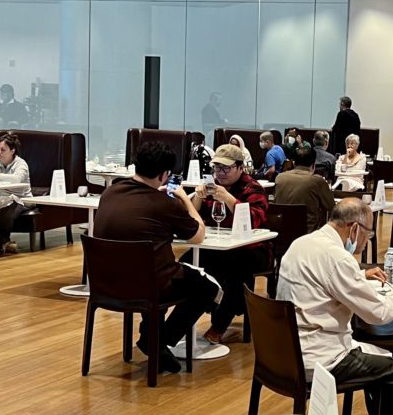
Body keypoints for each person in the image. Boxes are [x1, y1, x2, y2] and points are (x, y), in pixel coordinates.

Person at [274, 198, 393, 415]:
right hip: (321, 358)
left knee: (381, 361)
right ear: (354, 229)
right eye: (367, 235)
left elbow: (324, 280)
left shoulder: (303, 243)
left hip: (285, 353)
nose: (366, 242)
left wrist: (360, 274)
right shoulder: (337, 257)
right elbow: (379, 314)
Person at [93, 141, 214, 375]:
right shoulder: (163, 204)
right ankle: (157, 340)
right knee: (207, 288)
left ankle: (153, 339)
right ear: (164, 174)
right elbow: (198, 236)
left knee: (155, 268)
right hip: (148, 286)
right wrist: (184, 198)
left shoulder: (110, 193)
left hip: (106, 285)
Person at [192, 142, 270, 346]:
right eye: (217, 168)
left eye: (226, 168)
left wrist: (228, 198)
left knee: (234, 271)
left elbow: (254, 220)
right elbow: (193, 220)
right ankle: (183, 323)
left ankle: (219, 326)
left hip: (253, 249)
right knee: (188, 265)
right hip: (217, 247)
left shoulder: (253, 188)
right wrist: (198, 198)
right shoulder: (211, 187)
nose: (221, 173)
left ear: (240, 168)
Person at [273, 142, 336, 231]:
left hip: (281, 232)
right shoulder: (317, 181)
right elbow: (332, 207)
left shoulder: (279, 178)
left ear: (293, 163)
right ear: (314, 165)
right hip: (308, 235)